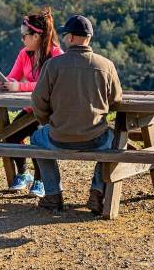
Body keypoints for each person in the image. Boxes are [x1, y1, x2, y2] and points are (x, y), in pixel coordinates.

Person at [30, 14, 123, 214]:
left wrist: (48, 122)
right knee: (116, 141)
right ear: (88, 37)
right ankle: (97, 192)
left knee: (37, 138)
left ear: (71, 38)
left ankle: (53, 195)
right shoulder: (106, 66)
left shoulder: (53, 65)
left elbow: (38, 100)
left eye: (65, 36)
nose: (64, 39)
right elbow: (116, 101)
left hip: (58, 137)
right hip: (95, 138)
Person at [0, 8, 63, 198]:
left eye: (25, 35)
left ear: (37, 36)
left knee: (39, 139)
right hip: (30, 109)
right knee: (11, 136)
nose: (22, 39)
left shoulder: (57, 56)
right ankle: (23, 173)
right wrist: (6, 82)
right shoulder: (24, 53)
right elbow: (14, 76)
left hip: (50, 112)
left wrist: (19, 87)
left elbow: (47, 86)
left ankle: (41, 180)